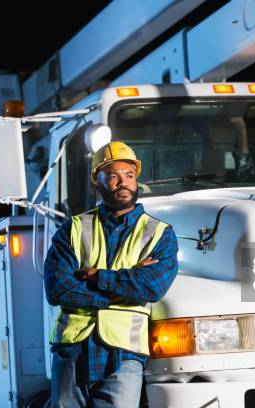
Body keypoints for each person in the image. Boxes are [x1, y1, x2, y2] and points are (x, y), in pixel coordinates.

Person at [44, 141, 179, 408]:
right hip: (73, 351)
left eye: (129, 175)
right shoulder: (73, 228)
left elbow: (151, 288)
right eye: (114, 176)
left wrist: (96, 277)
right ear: (97, 182)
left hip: (123, 355)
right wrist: (121, 291)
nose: (123, 183)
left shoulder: (160, 233)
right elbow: (57, 288)